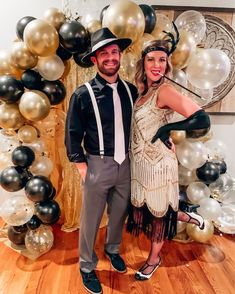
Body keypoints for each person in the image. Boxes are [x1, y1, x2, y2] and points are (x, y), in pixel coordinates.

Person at [127, 30, 210, 281]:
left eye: (162, 60)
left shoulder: (164, 90)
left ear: (167, 64)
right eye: (151, 59)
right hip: (140, 164)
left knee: (159, 216)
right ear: (143, 63)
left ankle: (154, 259)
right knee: (145, 213)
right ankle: (187, 215)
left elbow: (201, 118)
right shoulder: (142, 93)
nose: (156, 65)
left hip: (159, 166)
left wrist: (167, 128)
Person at [65, 27, 138, 294]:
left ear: (120, 55)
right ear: (94, 60)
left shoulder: (131, 91)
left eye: (114, 52)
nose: (110, 57)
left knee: (119, 213)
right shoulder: (83, 94)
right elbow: (73, 134)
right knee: (91, 220)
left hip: (125, 164)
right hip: (98, 164)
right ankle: (86, 266)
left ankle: (113, 249)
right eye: (104, 53)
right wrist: (84, 169)